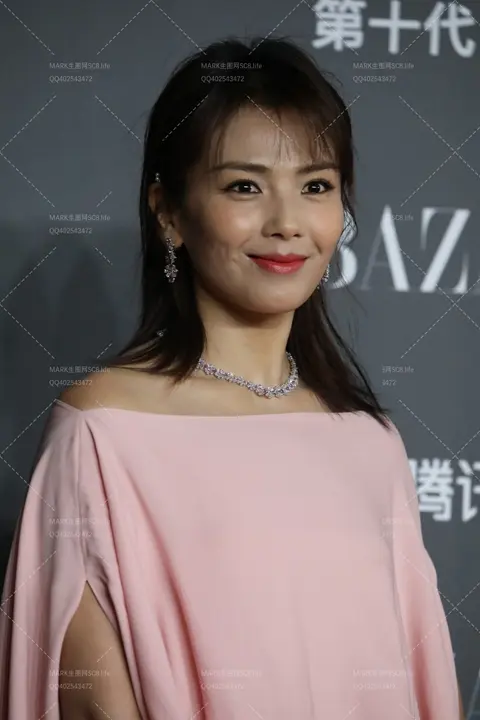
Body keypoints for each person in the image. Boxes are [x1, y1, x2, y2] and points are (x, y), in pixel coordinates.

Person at [0, 36, 462, 720]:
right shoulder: (104, 433)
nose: (287, 223)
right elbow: (93, 704)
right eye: (245, 186)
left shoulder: (370, 442)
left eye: (316, 186)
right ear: (169, 211)